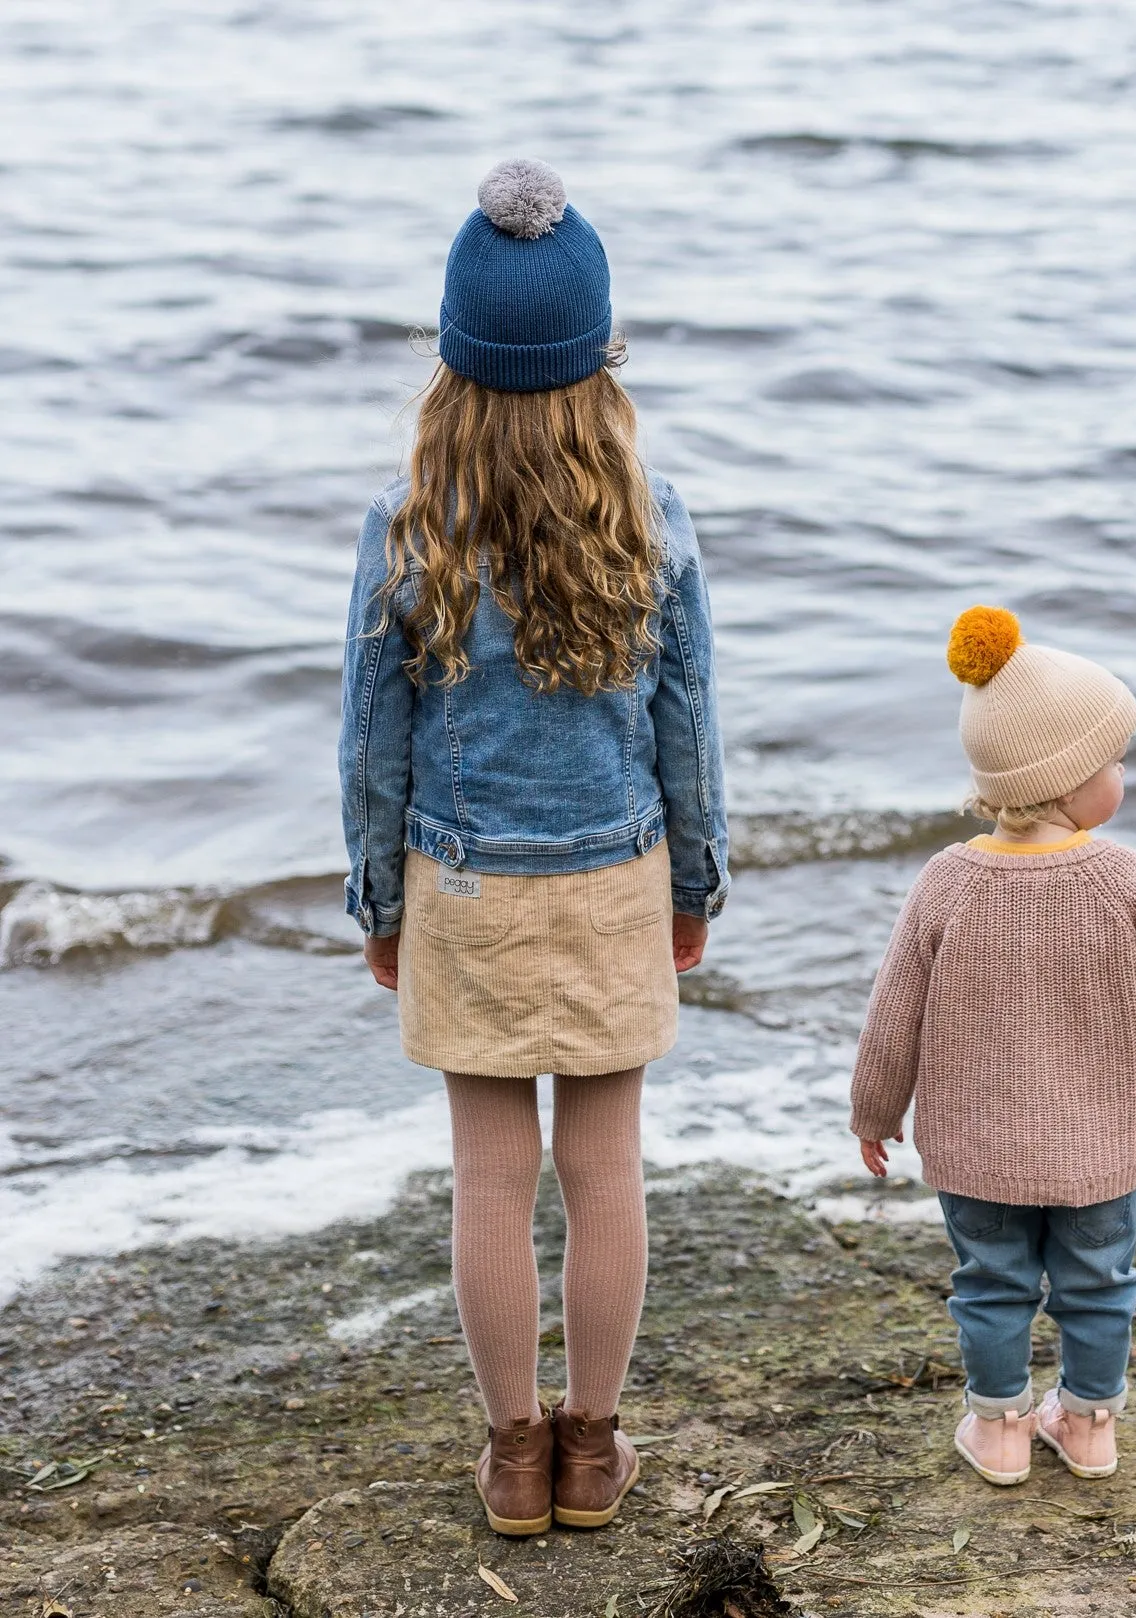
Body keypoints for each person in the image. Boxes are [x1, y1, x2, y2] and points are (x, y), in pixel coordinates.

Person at [339, 159, 727, 1537]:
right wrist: (695, 880)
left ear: (451, 361)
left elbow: (370, 744)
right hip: (614, 877)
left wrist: (381, 903)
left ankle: (514, 1455)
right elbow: (690, 726)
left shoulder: (408, 522)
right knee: (604, 1168)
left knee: (490, 1178)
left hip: (464, 884)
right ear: (599, 358)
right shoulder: (650, 507)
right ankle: (594, 1441)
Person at [850, 606, 1136, 1486]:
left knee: (989, 1285)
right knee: (1101, 1283)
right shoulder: (1125, 879)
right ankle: (1090, 1426)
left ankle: (999, 1434)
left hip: (976, 1150)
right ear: (1066, 782)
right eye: (1115, 762)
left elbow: (892, 1016)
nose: (1124, 777)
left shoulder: (945, 882)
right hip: (1100, 1150)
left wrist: (873, 1110)